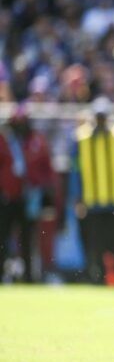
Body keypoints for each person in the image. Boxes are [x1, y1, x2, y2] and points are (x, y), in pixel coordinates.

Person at [73, 97, 114, 285]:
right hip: (92, 202)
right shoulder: (81, 137)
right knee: (96, 246)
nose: (100, 122)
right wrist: (77, 197)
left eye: (103, 118)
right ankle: (98, 280)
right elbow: (76, 171)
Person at [0, 105, 56, 283]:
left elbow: (46, 169)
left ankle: (29, 276)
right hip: (6, 197)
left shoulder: (36, 141)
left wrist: (45, 189)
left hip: (28, 197)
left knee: (28, 239)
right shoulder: (4, 140)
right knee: (3, 237)